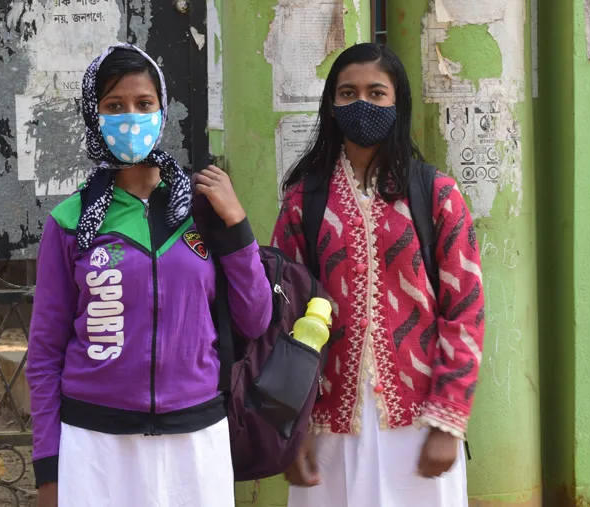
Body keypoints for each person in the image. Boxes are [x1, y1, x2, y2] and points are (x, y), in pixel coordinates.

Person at [26, 43, 272, 507]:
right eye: (114, 106)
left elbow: (255, 319)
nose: (131, 118)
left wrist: (238, 226)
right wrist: (49, 468)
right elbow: (43, 355)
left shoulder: (205, 209)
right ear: (91, 114)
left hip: (196, 439)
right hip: (96, 443)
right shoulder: (71, 221)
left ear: (163, 110)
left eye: (144, 104)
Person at [272, 43, 485, 507]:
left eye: (376, 93)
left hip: (420, 423)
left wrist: (450, 418)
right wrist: (291, 424)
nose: (361, 103)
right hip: (325, 424)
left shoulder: (437, 196)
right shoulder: (302, 202)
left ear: (398, 103)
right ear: (331, 106)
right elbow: (281, 318)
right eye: (347, 93)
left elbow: (465, 311)